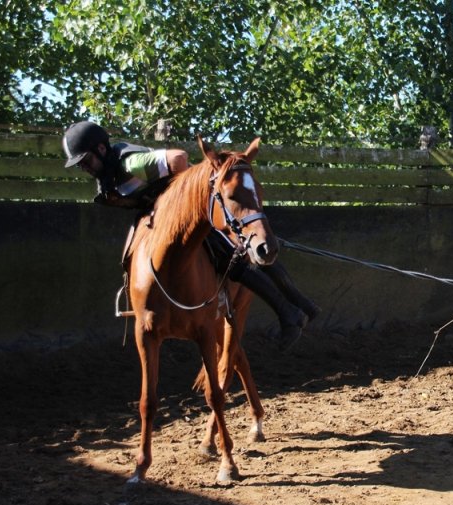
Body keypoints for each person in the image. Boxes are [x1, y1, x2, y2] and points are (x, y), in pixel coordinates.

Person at [63, 120, 320, 350]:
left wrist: (178, 203)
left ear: (101, 149)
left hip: (189, 212)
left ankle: (290, 312)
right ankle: (302, 305)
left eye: (85, 160)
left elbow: (179, 157)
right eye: (80, 164)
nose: (84, 167)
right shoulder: (108, 177)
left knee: (231, 256)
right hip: (164, 222)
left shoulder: (130, 163)